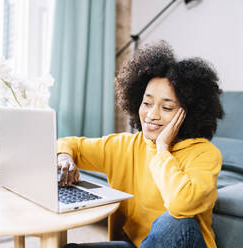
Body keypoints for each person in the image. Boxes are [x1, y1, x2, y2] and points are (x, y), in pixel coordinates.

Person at [57, 41, 224, 248]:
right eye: (147, 103)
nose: (152, 115)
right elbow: (68, 143)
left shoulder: (205, 154)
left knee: (177, 222)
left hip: (182, 240)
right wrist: (64, 157)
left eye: (167, 107)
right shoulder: (124, 146)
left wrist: (162, 149)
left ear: (187, 113)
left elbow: (181, 204)